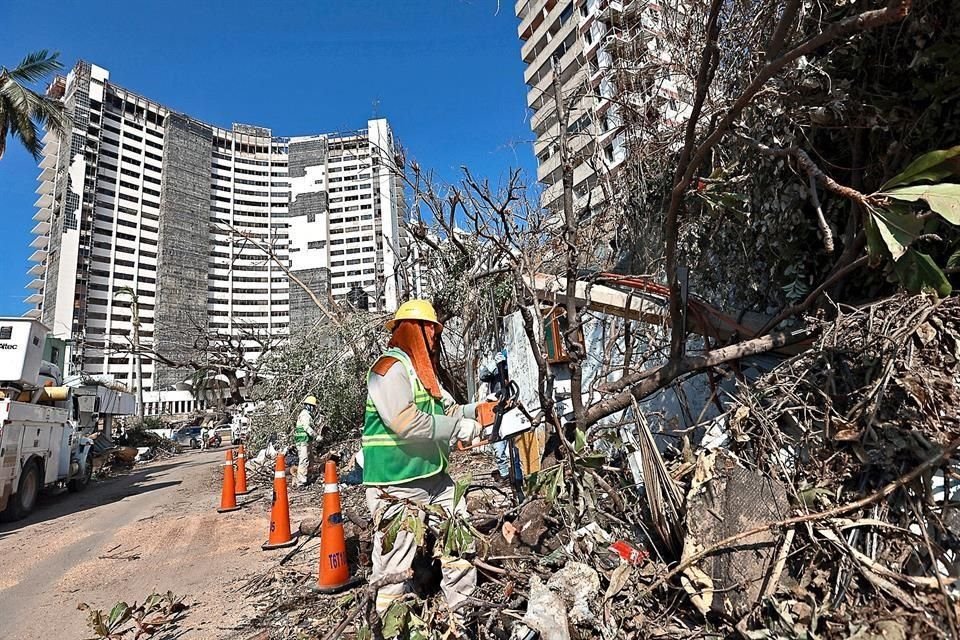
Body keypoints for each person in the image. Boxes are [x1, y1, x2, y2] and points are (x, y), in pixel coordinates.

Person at [362, 299, 496, 617]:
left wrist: (482, 411)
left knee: (458, 543)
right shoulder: (388, 369)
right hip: (396, 486)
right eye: (431, 331)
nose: (435, 338)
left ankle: (462, 619)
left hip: (435, 480)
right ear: (413, 331)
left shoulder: (425, 374)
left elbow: (447, 410)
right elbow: (405, 421)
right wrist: (459, 426)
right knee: (394, 569)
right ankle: (390, 628)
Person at [294, 395, 323, 487]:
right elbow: (307, 428)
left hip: (306, 440)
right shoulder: (305, 415)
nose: (314, 409)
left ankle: (308, 476)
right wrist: (316, 436)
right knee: (304, 459)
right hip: (302, 441)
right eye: (313, 406)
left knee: (310, 459)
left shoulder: (308, 415)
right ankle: (301, 482)